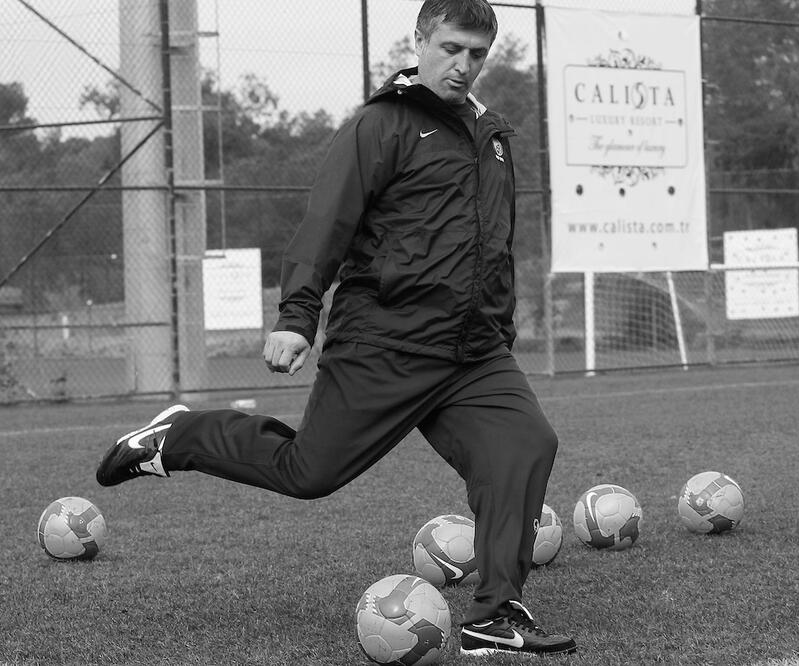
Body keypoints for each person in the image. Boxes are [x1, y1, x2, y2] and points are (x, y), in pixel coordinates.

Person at [97, 0, 576, 658]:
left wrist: (499, 329)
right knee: (309, 473)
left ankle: (495, 614)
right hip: (386, 342)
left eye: (476, 54)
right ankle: (179, 437)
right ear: (420, 41)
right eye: (451, 48)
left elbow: (495, 245)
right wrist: (297, 316)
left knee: (524, 443)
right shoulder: (381, 126)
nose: (463, 65)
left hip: (472, 351)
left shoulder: (491, 136)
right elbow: (327, 223)